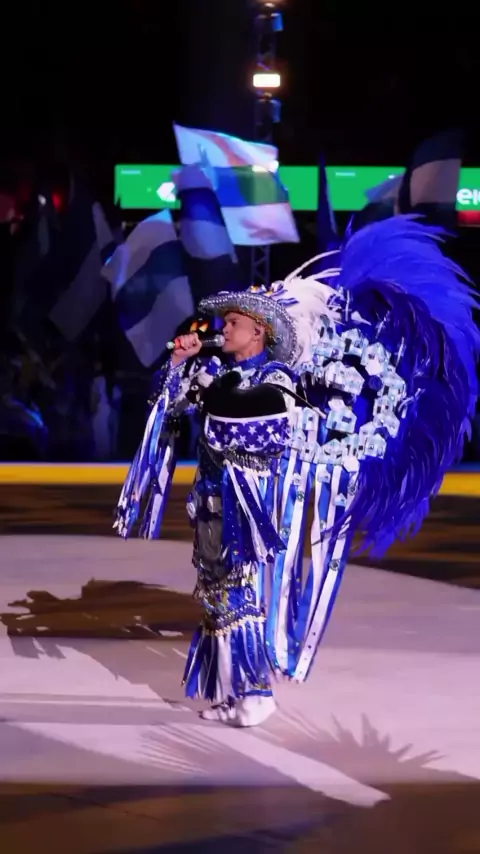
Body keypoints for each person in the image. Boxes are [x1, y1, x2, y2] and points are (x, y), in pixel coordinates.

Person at [116, 215, 480, 727]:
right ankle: (237, 692)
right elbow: (170, 406)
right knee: (218, 593)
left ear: (259, 332)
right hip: (215, 502)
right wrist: (179, 368)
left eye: (233, 323)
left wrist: (207, 387)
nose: (224, 330)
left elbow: (240, 420)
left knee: (240, 593)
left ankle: (256, 693)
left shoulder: (277, 383)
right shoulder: (224, 373)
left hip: (250, 511)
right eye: (225, 323)